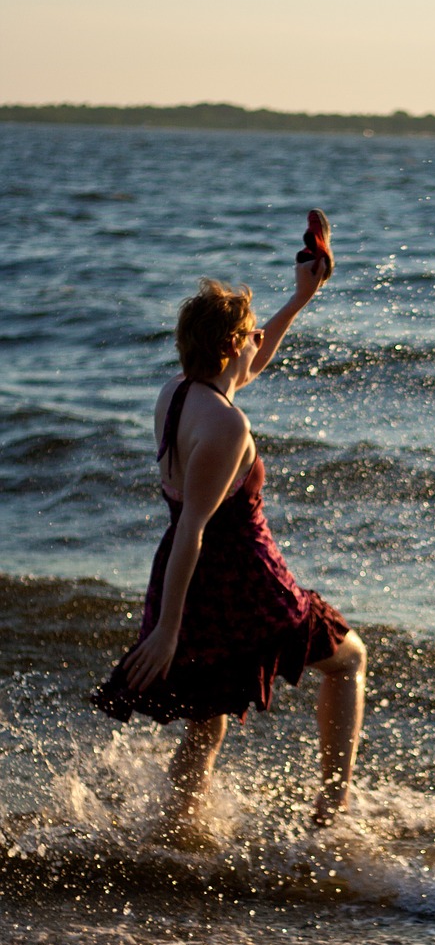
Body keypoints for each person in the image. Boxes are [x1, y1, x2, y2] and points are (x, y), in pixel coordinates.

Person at [94, 226, 365, 830]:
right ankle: (333, 809)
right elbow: (195, 527)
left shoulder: (178, 391)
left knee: (208, 712)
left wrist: (301, 298)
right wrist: (167, 632)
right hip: (238, 576)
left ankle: (177, 831)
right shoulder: (226, 428)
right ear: (229, 346)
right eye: (250, 335)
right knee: (349, 660)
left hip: (185, 573)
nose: (258, 341)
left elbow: (249, 363)